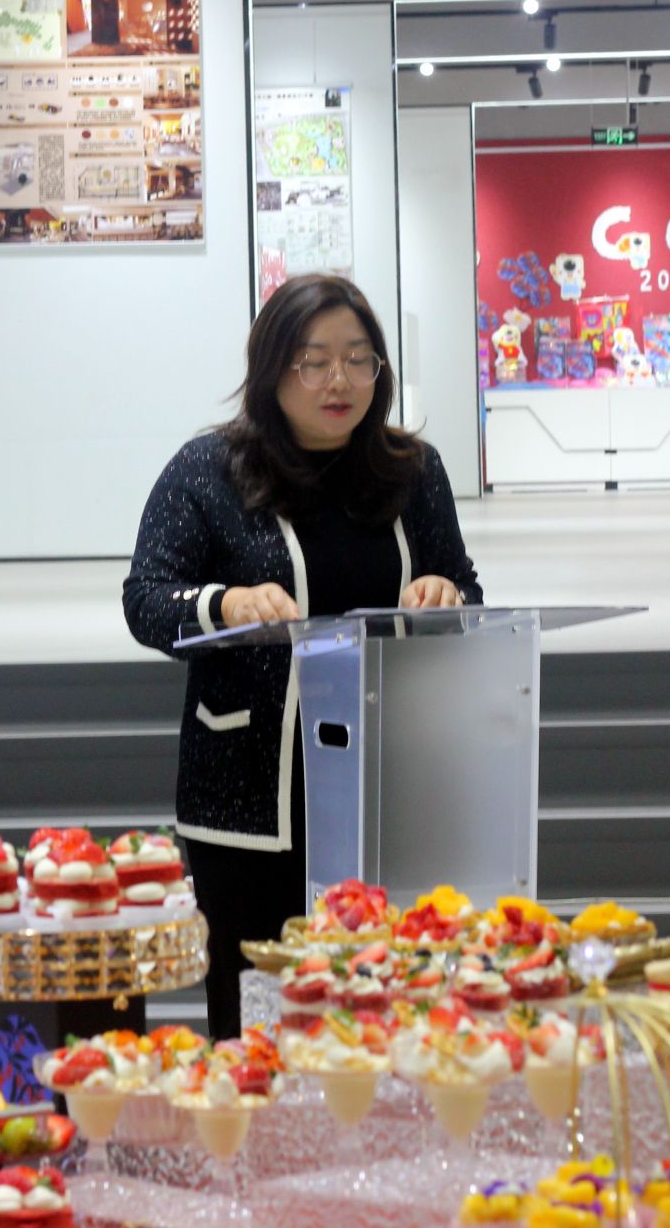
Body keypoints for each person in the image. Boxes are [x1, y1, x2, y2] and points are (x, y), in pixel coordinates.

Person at [122, 274, 482, 1038]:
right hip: (252, 797)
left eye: (358, 358)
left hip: (384, 784)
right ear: (272, 368)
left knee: (384, 1008)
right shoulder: (210, 469)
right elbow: (146, 598)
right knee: (258, 1016)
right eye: (314, 361)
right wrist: (224, 603)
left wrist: (444, 593)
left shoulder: (413, 471)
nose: (339, 380)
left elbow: (466, 587)